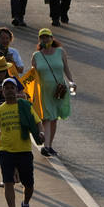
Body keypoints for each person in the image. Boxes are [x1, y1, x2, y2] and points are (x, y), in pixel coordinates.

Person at [0, 78, 43, 207]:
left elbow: (38, 122)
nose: (9, 90)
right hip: (6, 152)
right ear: (2, 91)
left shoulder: (25, 106)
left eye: (11, 88)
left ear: (16, 91)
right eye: (6, 88)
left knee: (29, 185)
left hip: (24, 151)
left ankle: (25, 203)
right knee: (8, 182)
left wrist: (41, 133)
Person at [30, 28, 75, 157]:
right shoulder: (37, 55)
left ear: (52, 38)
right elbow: (33, 75)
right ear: (40, 40)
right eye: (42, 38)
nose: (45, 40)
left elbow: (66, 68)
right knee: (47, 118)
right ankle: (46, 146)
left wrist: (72, 82)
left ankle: (50, 144)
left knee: (54, 118)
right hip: (44, 91)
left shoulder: (60, 52)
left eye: (47, 37)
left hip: (59, 90)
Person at [0, 57, 26, 171]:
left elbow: (24, 96)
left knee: (13, 142)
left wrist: (11, 94)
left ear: (6, 70)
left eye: (2, 70)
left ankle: (15, 170)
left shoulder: (13, 81)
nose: (0, 73)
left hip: (14, 113)